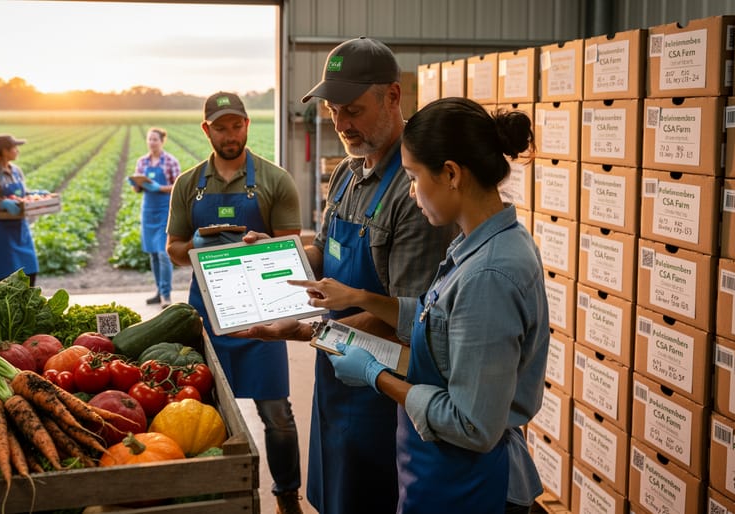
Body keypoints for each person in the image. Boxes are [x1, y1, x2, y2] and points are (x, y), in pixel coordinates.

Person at [274, 98, 549, 513]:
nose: (410, 191)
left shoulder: (489, 275)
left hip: (471, 486)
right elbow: (436, 321)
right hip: (441, 475)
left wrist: (375, 375)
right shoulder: (478, 245)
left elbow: (470, 425)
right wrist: (358, 299)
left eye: (414, 177)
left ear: (452, 174)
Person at [239, 37, 457, 514]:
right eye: (334, 111)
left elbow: (408, 316)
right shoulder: (346, 172)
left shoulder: (415, 190)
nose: (341, 125)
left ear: (393, 97)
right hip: (335, 367)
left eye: (353, 110)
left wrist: (304, 331)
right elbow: (325, 248)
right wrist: (278, 254)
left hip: (385, 388)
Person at [166, 92, 305, 514]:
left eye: (237, 125)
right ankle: (219, 498)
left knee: (276, 412)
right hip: (207, 314)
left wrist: (253, 248)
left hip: (262, 310)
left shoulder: (274, 180)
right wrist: (198, 246)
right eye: (221, 127)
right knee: (206, 413)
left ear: (247, 125)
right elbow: (173, 247)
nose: (231, 134)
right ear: (207, 129)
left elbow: (291, 248)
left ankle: (286, 496)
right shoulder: (189, 185)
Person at [129, 127, 181, 307]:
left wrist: (159, 187)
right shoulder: (142, 162)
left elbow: (177, 186)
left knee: (163, 253)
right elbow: (136, 189)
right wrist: (137, 184)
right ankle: (159, 291)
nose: (152, 142)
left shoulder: (170, 161)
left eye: (155, 140)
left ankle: (167, 294)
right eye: (149, 139)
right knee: (153, 254)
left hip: (164, 210)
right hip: (148, 211)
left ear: (162, 141)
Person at [0, 134, 41, 286]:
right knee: (9, 283)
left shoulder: (16, 171)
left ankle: (28, 309)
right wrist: (2, 205)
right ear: (5, 151)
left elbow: (22, 194)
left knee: (31, 274)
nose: (17, 151)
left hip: (22, 231)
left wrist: (36, 194)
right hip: (4, 234)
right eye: (15, 148)